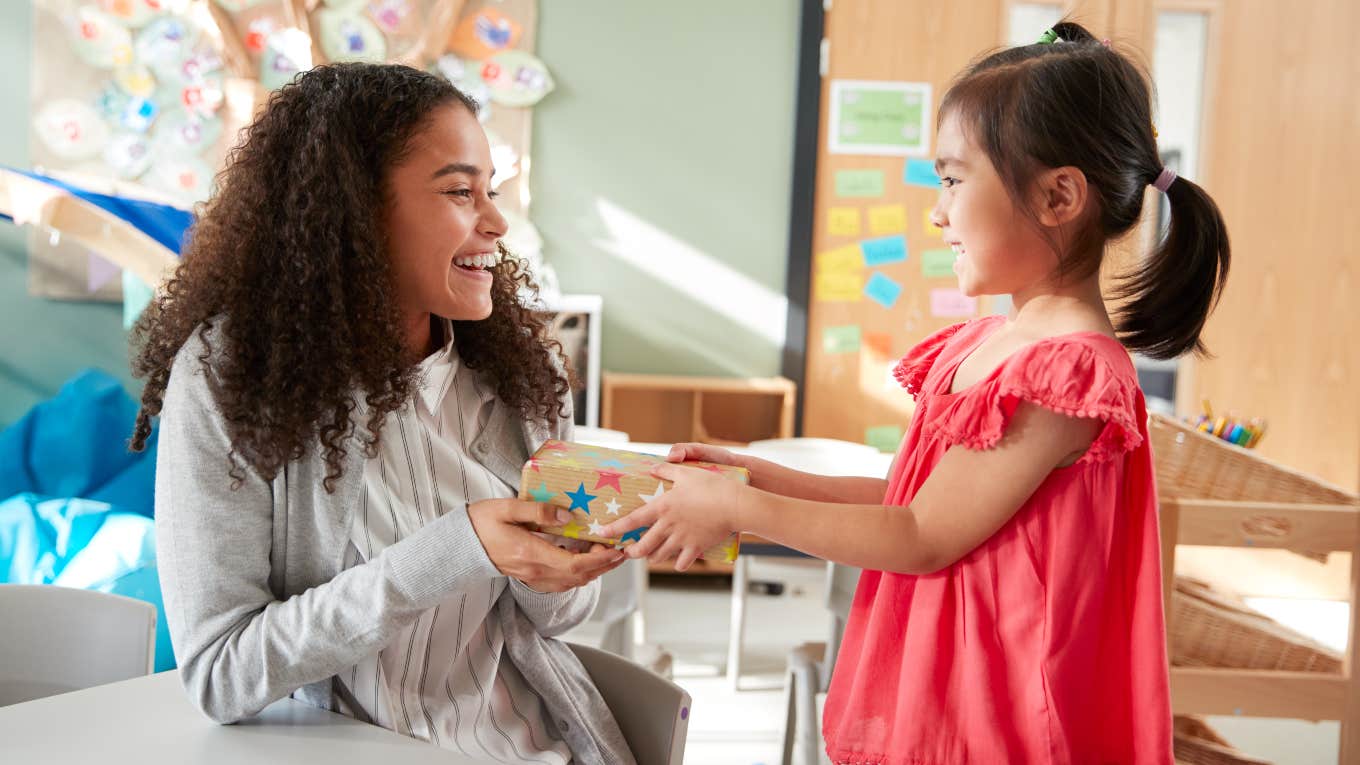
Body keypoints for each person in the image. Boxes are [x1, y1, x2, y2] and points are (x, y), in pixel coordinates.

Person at [603, 21, 1230, 763]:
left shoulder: (1067, 375)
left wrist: (738, 508)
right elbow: (913, 502)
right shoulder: (992, 345)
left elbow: (924, 538)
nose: (937, 213)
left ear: (1060, 196)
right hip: (943, 684)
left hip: (997, 712)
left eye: (954, 180)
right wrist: (752, 475)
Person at [130, 62, 634, 765]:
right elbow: (222, 673)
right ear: (356, 210)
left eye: (492, 191)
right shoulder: (232, 378)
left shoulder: (528, 374)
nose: (494, 221)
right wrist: (458, 548)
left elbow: (560, 618)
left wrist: (558, 568)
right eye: (461, 191)